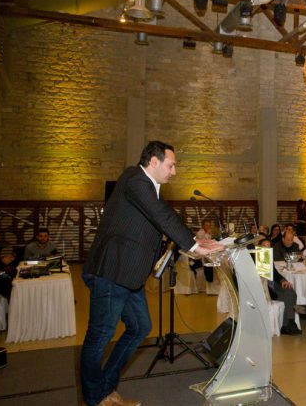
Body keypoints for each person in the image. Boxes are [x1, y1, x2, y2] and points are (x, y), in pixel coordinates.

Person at [80, 141, 223, 406]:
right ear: (154, 162)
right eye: (171, 165)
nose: (174, 172)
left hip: (128, 275)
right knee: (100, 336)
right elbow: (160, 216)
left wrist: (195, 239)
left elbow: (166, 214)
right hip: (111, 271)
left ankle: (106, 389)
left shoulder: (149, 187)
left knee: (140, 327)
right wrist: (193, 247)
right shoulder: (135, 179)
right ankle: (95, 398)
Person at [256, 238, 302, 336]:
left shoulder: (267, 256)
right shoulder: (255, 259)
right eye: (264, 246)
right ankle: (287, 325)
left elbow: (274, 273)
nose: (267, 249)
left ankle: (289, 323)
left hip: (273, 284)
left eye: (269, 247)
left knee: (290, 290)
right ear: (258, 247)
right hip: (265, 289)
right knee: (285, 296)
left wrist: (283, 280)